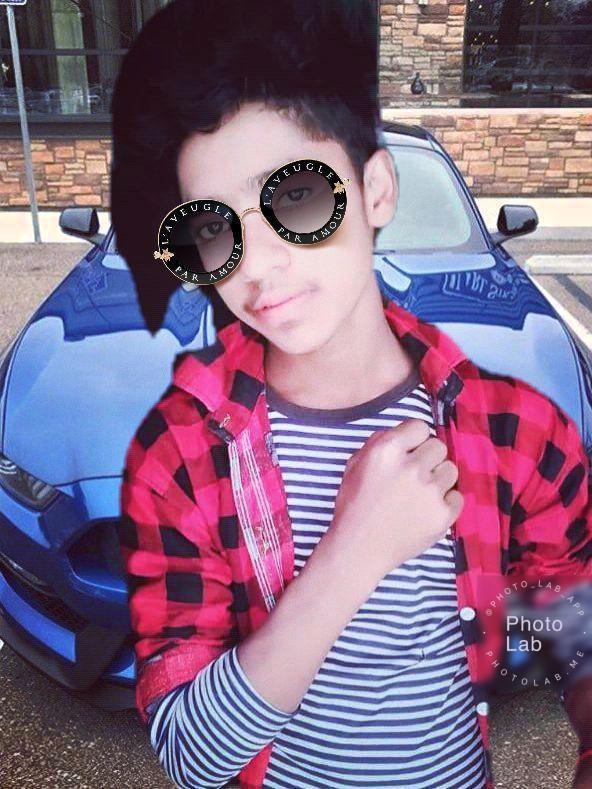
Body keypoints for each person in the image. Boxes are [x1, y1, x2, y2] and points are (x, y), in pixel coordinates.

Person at [111, 2, 592, 788]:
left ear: (375, 190)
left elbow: (568, 633)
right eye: (214, 231)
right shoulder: (180, 454)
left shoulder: (517, 431)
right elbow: (193, 755)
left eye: (295, 198)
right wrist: (356, 551)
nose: (255, 264)